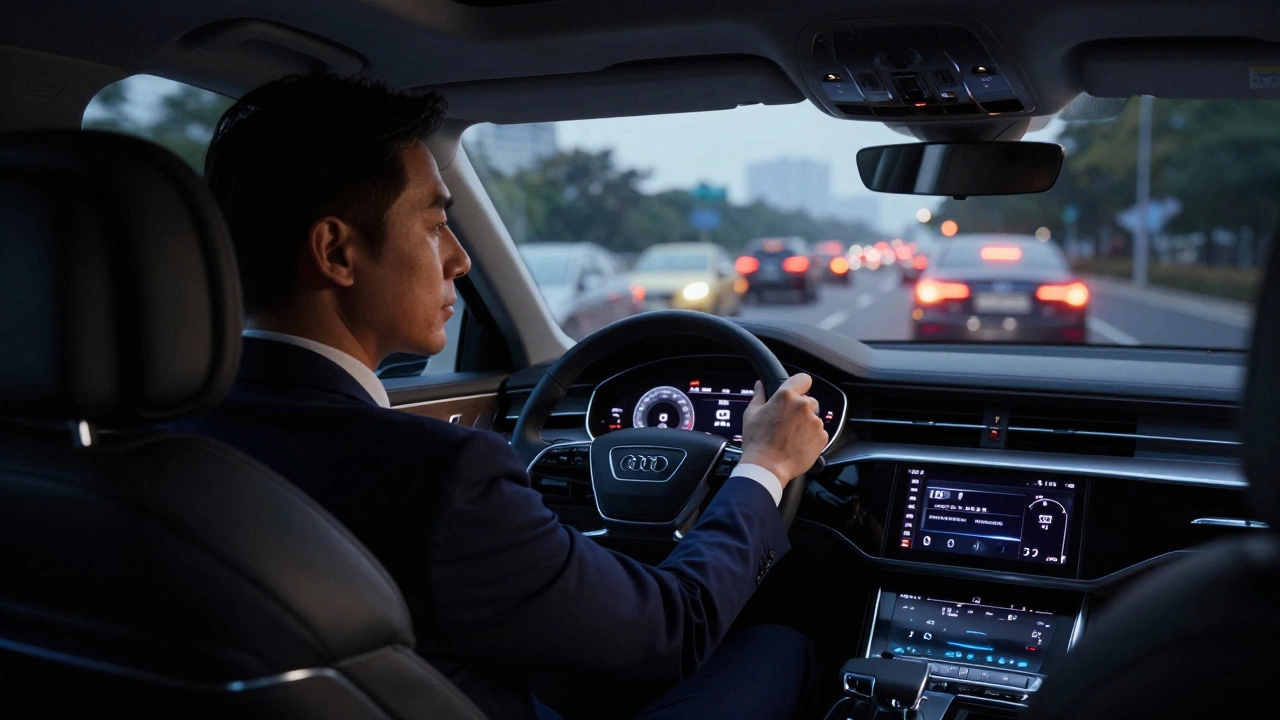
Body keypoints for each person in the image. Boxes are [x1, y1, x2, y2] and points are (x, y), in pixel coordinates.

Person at [174, 73, 830, 720]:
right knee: (780, 646)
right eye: (435, 225)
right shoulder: (440, 478)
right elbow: (674, 626)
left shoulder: (164, 436)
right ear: (337, 252)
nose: (459, 259)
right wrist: (764, 464)